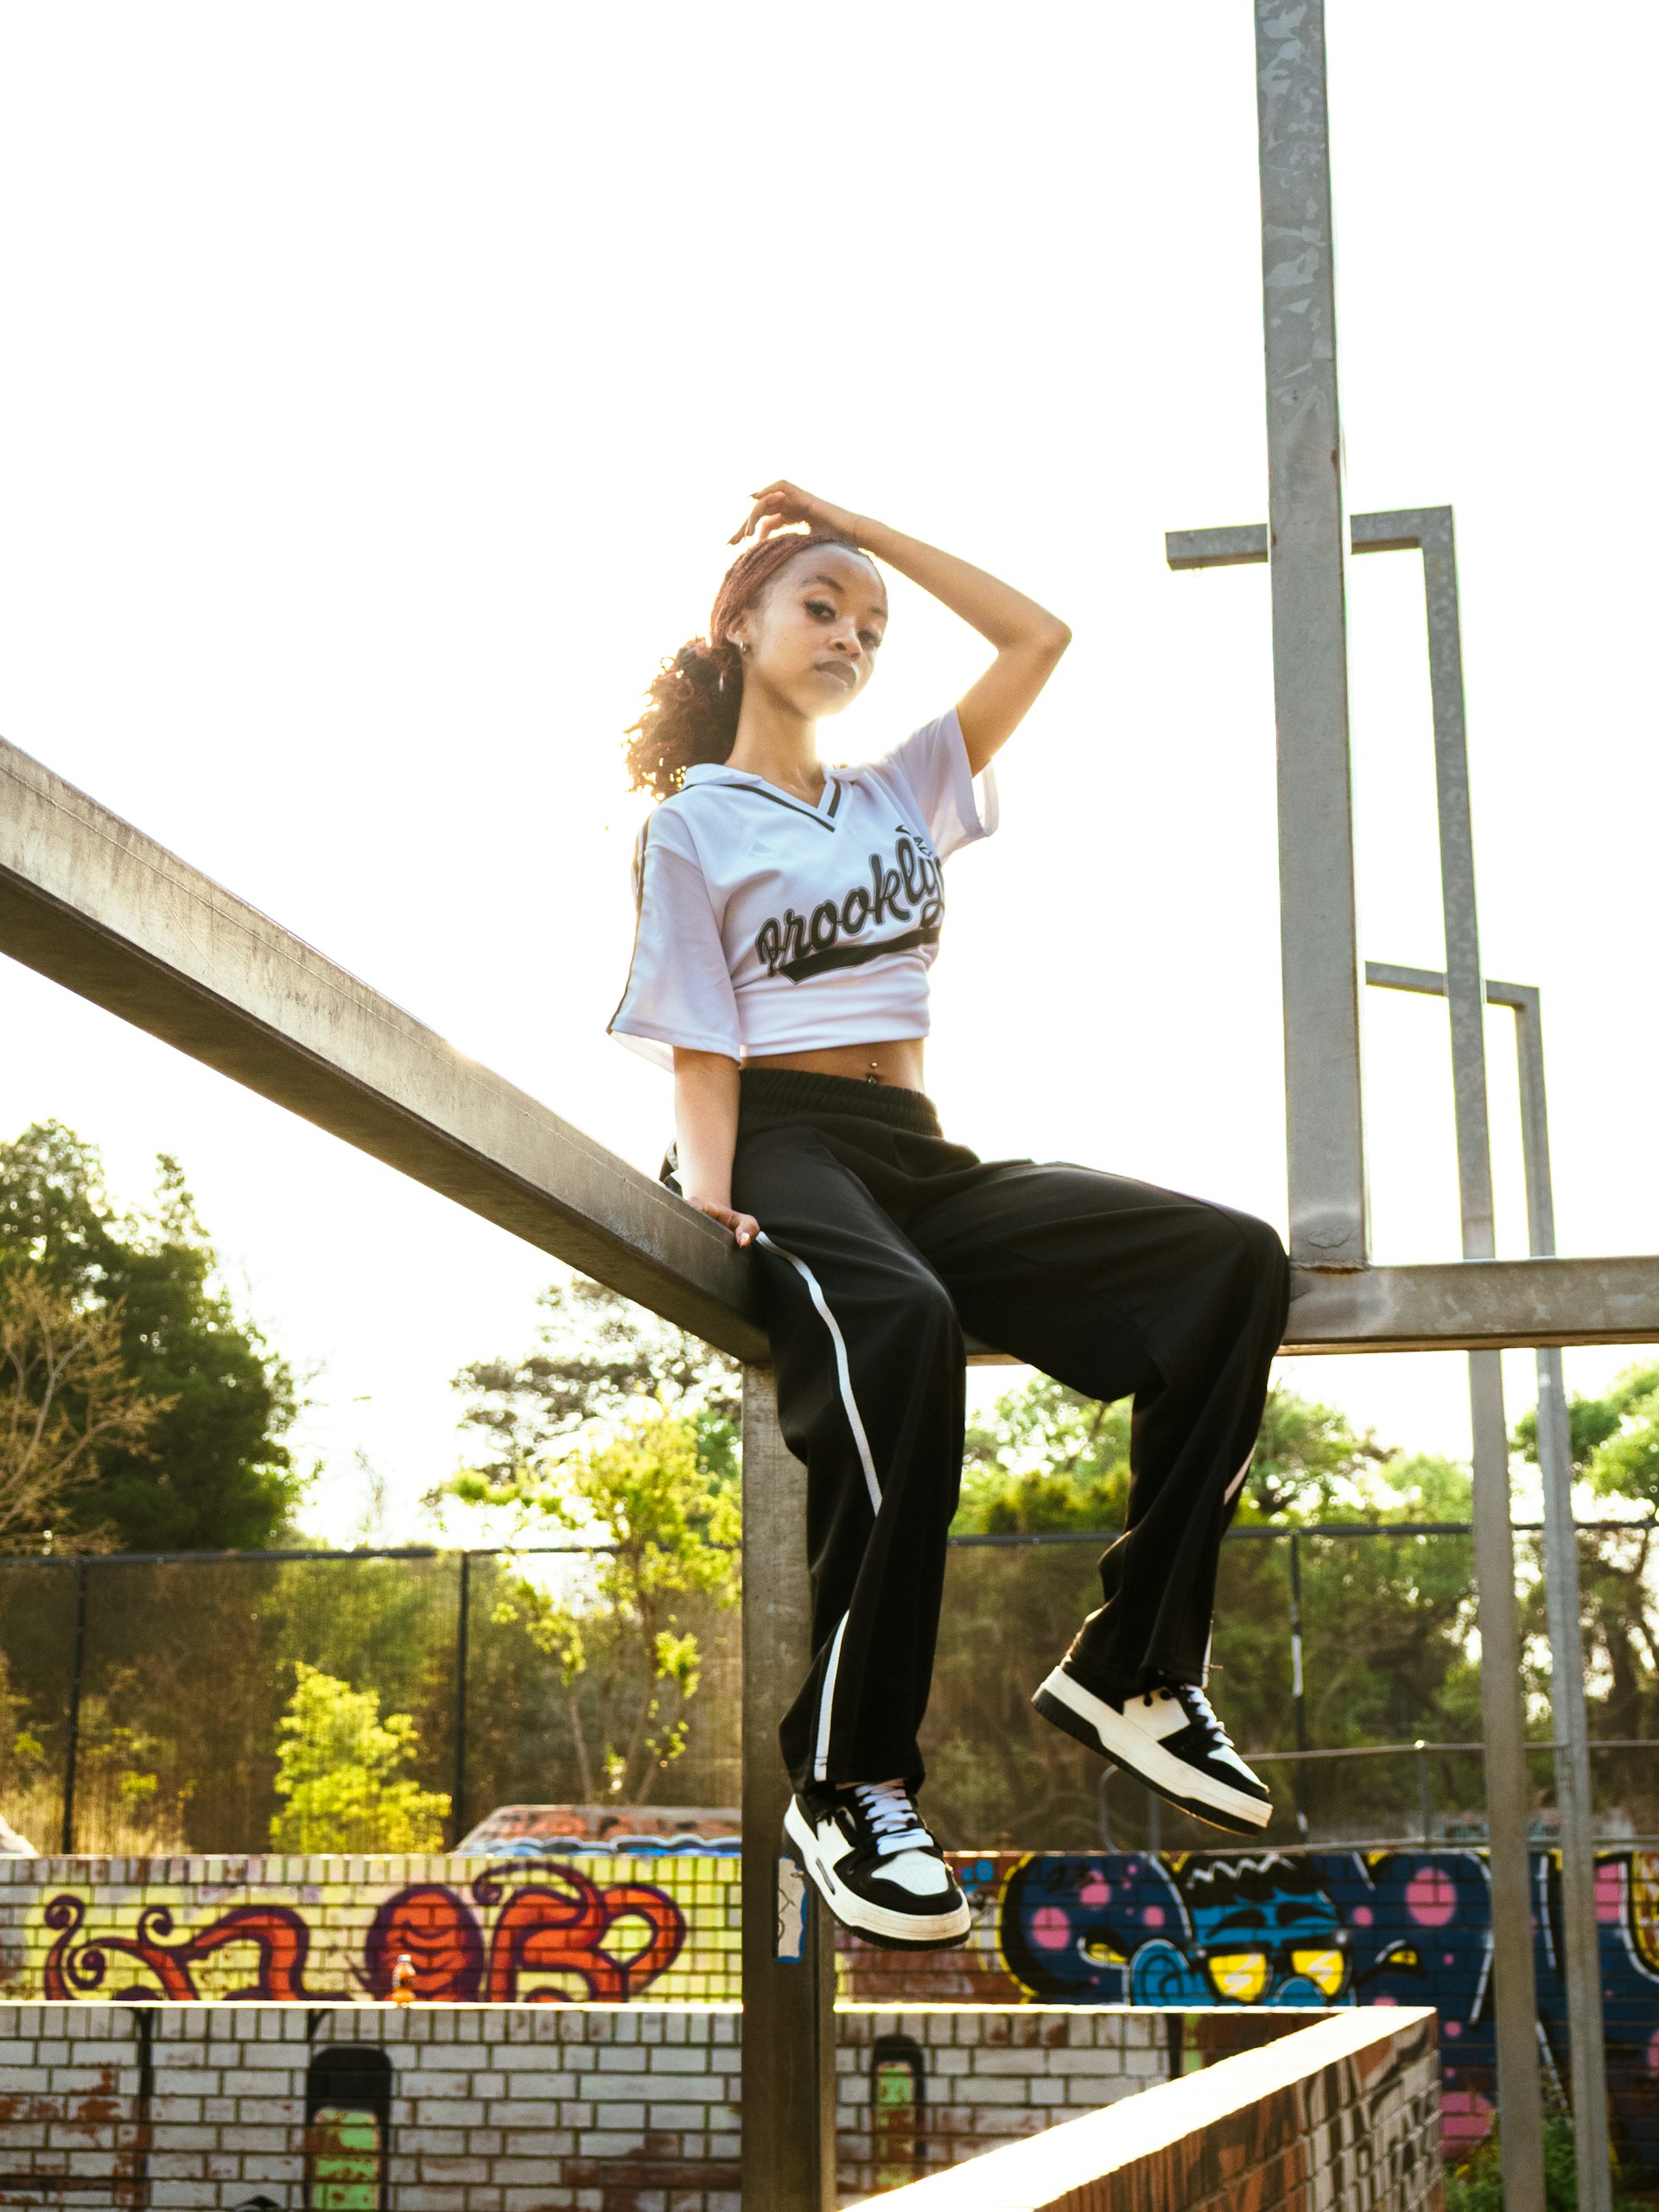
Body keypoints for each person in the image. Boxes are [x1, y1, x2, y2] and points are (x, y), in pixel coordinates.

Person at [610, 482, 1289, 1952]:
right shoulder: (693, 827)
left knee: (1232, 1263)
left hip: (916, 1154)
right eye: (819, 606)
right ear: (739, 624)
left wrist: (852, 525)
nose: (852, 634)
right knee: (901, 1320)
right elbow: (698, 1042)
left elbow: (1041, 634)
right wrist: (719, 1201)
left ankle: (1137, 1669)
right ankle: (851, 1778)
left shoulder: (900, 786)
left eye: (872, 624)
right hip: (782, 1146)